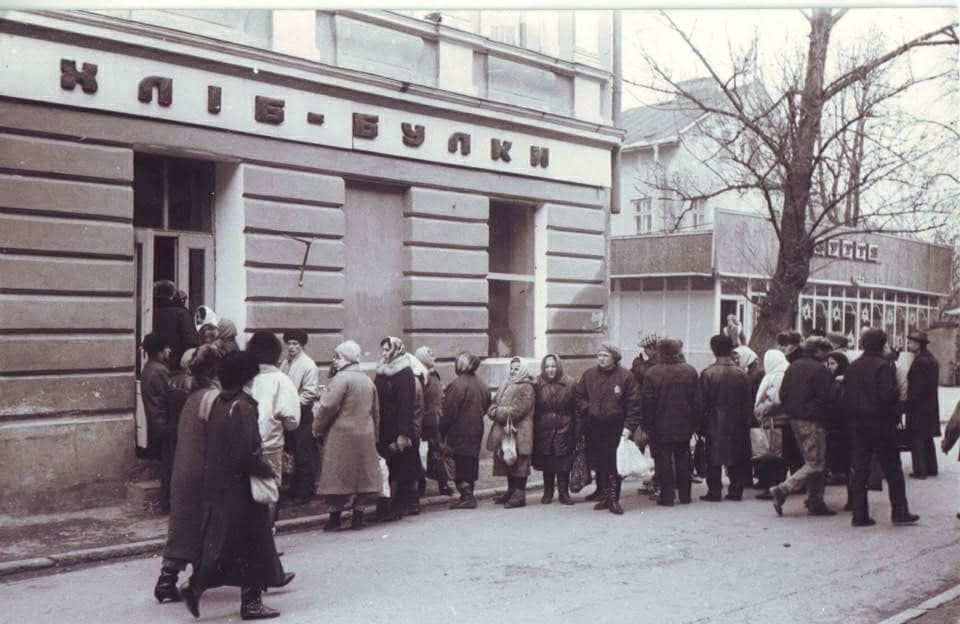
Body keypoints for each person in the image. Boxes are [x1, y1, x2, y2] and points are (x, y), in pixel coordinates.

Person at [178, 351, 287, 621]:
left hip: (219, 485)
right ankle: (251, 604)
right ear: (246, 376)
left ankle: (195, 586)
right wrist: (267, 470)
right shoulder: (244, 405)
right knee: (255, 544)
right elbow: (247, 452)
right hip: (242, 488)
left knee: (223, 544)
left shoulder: (219, 403)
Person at [153, 345, 221, 603]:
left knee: (182, 526)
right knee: (216, 526)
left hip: (183, 469)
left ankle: (166, 580)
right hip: (205, 471)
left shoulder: (190, 396)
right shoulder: (213, 398)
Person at [843, 328, 919, 527]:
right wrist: (896, 413)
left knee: (860, 469)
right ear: (882, 344)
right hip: (881, 424)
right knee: (893, 469)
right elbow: (888, 396)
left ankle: (859, 514)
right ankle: (899, 512)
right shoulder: (884, 367)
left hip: (857, 424)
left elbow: (846, 396)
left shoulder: (853, 366)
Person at [313, 340, 382, 532]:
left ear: (347, 359)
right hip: (365, 434)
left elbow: (327, 407)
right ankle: (358, 517)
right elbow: (376, 411)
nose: (334, 360)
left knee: (337, 477)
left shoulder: (341, 379)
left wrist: (317, 428)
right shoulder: (367, 380)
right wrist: (375, 436)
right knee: (362, 476)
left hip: (341, 435)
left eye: (338, 357)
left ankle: (334, 518)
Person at [769, 336, 838, 517]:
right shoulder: (820, 370)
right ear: (817, 350)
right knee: (816, 463)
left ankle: (816, 501)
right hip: (813, 419)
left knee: (813, 460)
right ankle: (783, 489)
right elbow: (830, 396)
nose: (827, 354)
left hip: (795, 419)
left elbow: (783, 394)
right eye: (825, 350)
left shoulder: (793, 367)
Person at [574, 343, 642, 514]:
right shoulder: (589, 375)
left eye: (605, 355)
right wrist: (587, 409)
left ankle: (613, 499)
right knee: (600, 463)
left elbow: (634, 405)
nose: (601, 359)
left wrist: (629, 427)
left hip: (616, 427)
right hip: (594, 427)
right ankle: (605, 496)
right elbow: (578, 395)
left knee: (614, 464)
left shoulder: (626, 376)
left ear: (614, 358)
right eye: (599, 355)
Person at [639, 338, 701, 507]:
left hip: (660, 425)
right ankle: (685, 495)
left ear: (660, 352)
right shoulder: (690, 371)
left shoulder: (652, 373)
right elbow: (697, 402)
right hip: (684, 424)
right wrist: (695, 424)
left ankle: (667, 496)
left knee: (663, 460)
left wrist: (647, 425)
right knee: (684, 457)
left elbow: (647, 403)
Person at [247, 331, 301, 518]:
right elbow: (292, 420)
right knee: (269, 491)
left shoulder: (246, 377)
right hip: (271, 445)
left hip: (244, 445)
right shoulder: (282, 380)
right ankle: (267, 531)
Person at [374, 336, 425, 521]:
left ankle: (394, 508)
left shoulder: (404, 372)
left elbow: (406, 406)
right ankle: (386, 508)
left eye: (387, 349)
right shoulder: (382, 370)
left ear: (397, 350)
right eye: (382, 349)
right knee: (386, 468)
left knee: (398, 469)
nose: (384, 353)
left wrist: (403, 434)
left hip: (397, 428)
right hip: (383, 427)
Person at [699, 334, 753, 502]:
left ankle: (714, 490)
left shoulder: (708, 373)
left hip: (714, 419)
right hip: (737, 420)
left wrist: (700, 425)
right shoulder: (741, 373)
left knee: (713, 456)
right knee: (736, 454)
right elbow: (747, 401)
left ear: (713, 349)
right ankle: (736, 489)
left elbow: (702, 402)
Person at [440, 351, 490, 510]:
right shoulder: (482, 384)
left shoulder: (457, 385)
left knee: (459, 464)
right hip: (476, 430)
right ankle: (469, 495)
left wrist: (441, 432)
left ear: (461, 365)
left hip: (459, 432)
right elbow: (487, 406)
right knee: (471, 463)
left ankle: (467, 497)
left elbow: (448, 413)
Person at [487, 357, 537, 509]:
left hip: (521, 432)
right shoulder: (506, 383)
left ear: (523, 370)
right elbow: (493, 403)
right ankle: (511, 491)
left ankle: (519, 495)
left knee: (520, 462)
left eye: (516, 369)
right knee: (508, 459)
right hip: (506, 431)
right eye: (512, 368)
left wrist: (496, 412)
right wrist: (493, 410)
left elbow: (516, 411)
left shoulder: (527, 388)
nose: (513, 371)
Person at [280, 330, 320, 505]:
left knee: (303, 453)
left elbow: (309, 393)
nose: (291, 347)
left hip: (302, 414)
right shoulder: (285, 363)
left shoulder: (308, 365)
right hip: (287, 414)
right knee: (291, 453)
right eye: (289, 343)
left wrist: (292, 403)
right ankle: (293, 488)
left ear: (302, 345)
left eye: (295, 344)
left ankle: (305, 491)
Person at [533, 354, 578, 505]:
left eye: (553, 366)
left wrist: (576, 430)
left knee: (563, 462)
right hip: (544, 428)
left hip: (565, 427)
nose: (550, 370)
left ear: (558, 366)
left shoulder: (570, 383)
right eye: (547, 367)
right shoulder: (537, 383)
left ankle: (564, 493)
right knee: (547, 461)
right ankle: (548, 492)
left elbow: (576, 408)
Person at [141, 332, 173, 512]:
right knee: (169, 466)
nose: (169, 351)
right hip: (164, 423)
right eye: (167, 348)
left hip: (155, 423)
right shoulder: (160, 370)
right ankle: (167, 503)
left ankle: (165, 502)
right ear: (159, 351)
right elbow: (169, 397)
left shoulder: (148, 368)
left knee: (165, 466)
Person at [415, 346, 452, 496]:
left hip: (435, 419)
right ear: (422, 357)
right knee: (425, 454)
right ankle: (422, 484)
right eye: (430, 354)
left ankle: (442, 484)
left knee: (436, 452)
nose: (433, 357)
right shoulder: (421, 375)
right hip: (426, 421)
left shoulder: (432, 374)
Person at [753, 348, 790, 499]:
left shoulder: (777, 376)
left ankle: (773, 487)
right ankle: (775, 485)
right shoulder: (782, 373)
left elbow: (776, 399)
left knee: (773, 456)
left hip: (775, 420)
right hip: (779, 420)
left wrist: (761, 409)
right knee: (777, 455)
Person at [905, 331, 941, 480]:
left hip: (919, 406)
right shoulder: (931, 359)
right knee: (927, 437)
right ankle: (932, 468)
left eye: (910, 342)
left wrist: (908, 403)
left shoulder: (920, 362)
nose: (908, 345)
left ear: (918, 344)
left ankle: (920, 470)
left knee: (917, 437)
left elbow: (917, 387)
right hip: (930, 404)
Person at [153, 280, 199, 372]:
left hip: (154, 364)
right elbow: (191, 341)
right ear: (173, 295)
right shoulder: (181, 314)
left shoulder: (149, 312)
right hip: (177, 367)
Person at [825, 351, 851, 488]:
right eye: (828, 363)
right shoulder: (833, 380)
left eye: (833, 364)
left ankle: (839, 473)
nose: (829, 366)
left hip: (841, 421)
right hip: (834, 421)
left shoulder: (842, 381)